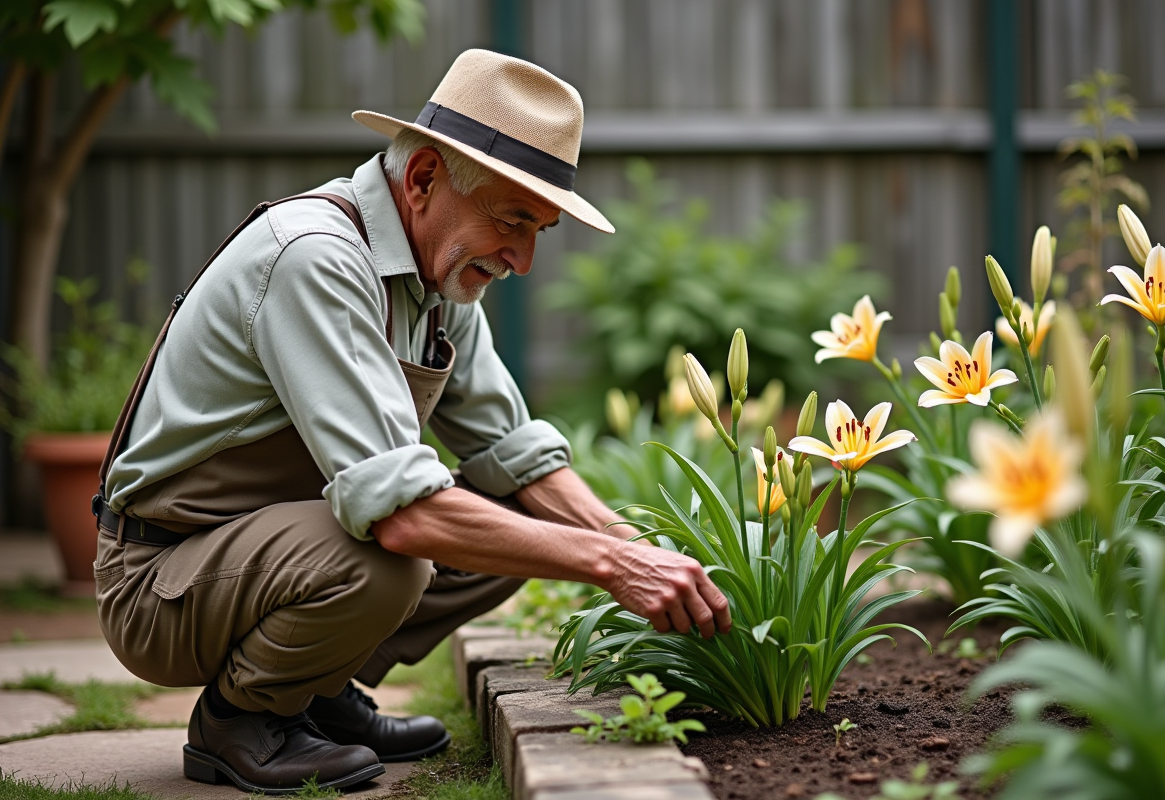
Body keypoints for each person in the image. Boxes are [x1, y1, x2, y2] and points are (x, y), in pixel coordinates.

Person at [93, 49, 731, 795]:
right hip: (163, 580)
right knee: (389, 556)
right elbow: (399, 513)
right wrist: (610, 568)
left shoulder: (439, 283)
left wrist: (633, 547)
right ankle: (242, 718)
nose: (522, 259)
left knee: (506, 513)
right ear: (425, 178)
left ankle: (315, 692)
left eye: (540, 230)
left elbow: (512, 453)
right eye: (512, 219)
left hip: (263, 554)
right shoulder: (316, 258)